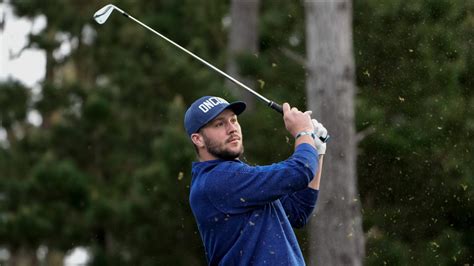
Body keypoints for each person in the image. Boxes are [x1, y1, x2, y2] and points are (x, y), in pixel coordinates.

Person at [184, 95, 327, 265]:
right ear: (198, 139)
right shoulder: (216, 180)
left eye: (233, 120)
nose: (232, 128)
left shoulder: (238, 179)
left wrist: (316, 151)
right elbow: (301, 169)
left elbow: (297, 212)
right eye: (219, 124)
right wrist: (303, 132)